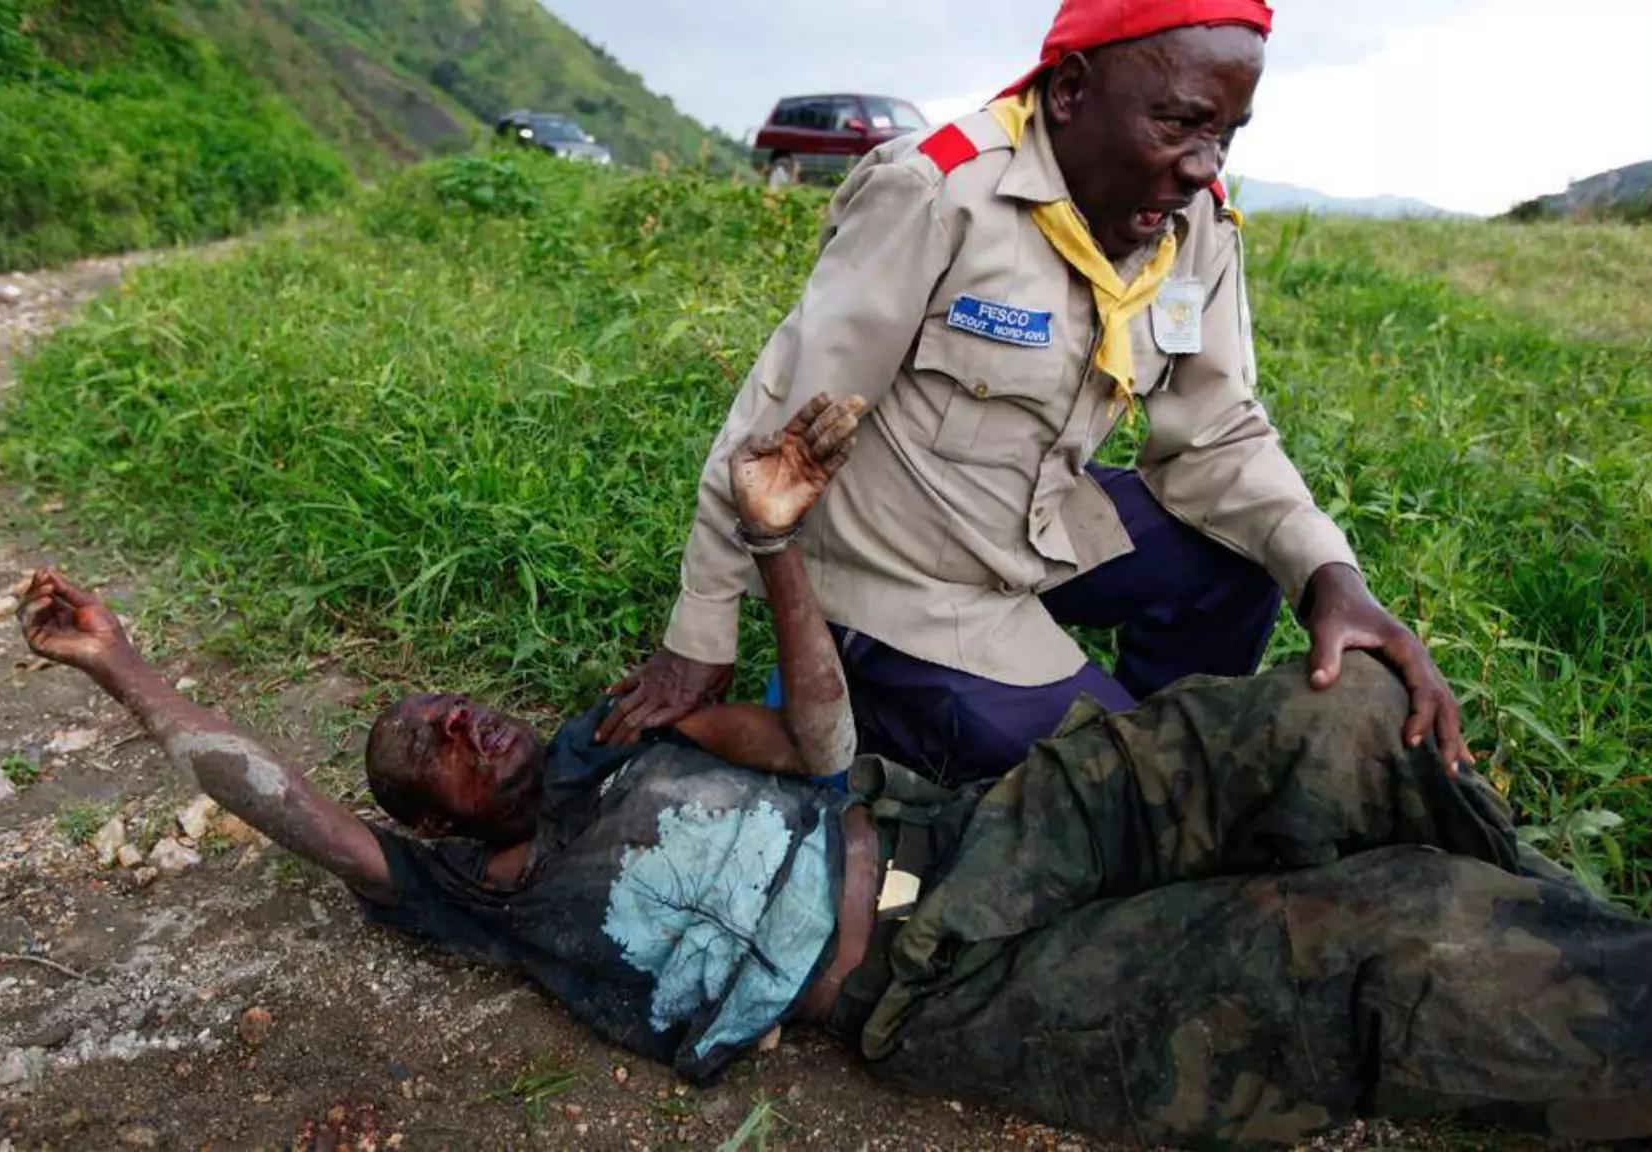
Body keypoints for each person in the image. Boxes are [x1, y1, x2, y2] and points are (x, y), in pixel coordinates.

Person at [17, 395, 1652, 1147]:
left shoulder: (629, 744)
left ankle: (1590, 935)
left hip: (982, 829)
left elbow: (818, 741)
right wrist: (120, 663)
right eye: (423, 748)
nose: (460, 721)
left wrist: (778, 552)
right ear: (429, 820)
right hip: (944, 986)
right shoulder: (481, 893)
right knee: (1368, 951)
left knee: (1319, 724)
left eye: (451, 702)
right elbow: (275, 800)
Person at [602, 0, 1475, 786]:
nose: (1203, 165)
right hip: (896, 583)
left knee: (1243, 557)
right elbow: (772, 434)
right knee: (1113, 780)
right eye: (1180, 122)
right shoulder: (940, 195)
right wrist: (699, 637)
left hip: (1033, 533)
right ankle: (1006, 733)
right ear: (1070, 91)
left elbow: (1219, 433)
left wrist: (1331, 579)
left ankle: (1130, 741)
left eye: (1229, 133)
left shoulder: (1192, 227)